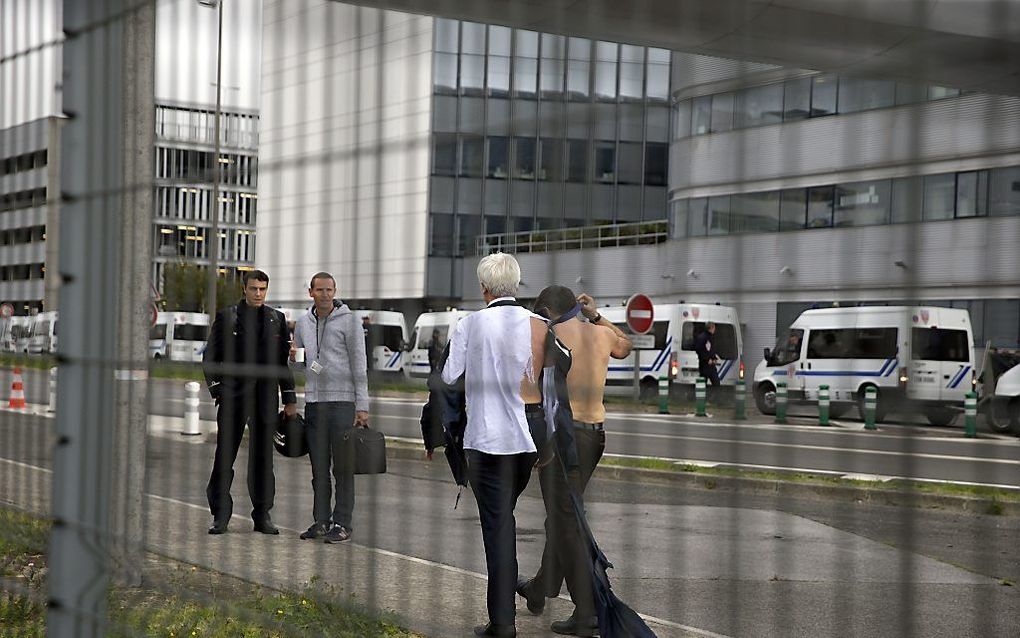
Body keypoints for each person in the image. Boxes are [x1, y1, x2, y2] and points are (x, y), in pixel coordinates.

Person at [442, 253, 547, 638]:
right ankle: (513, 589)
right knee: (505, 519)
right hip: (525, 443)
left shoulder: (470, 324)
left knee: (498, 528)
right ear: (516, 285)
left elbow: (450, 376)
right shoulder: (538, 324)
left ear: (483, 288)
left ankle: (502, 622)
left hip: (486, 443)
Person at [518, 287, 632, 638]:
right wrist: (596, 315)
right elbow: (625, 346)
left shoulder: (549, 338)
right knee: (563, 518)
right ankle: (541, 587)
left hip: (564, 441)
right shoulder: (600, 334)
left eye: (541, 313)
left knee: (566, 523)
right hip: (595, 436)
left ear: (550, 311)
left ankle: (586, 610)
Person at [203, 269, 297, 535]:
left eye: (263, 289)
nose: (258, 293)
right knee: (225, 456)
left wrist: (289, 398)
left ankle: (262, 514)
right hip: (232, 397)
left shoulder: (276, 319)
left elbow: (281, 364)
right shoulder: (227, 317)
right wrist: (218, 390)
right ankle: (220, 514)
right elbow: (210, 358)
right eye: (254, 288)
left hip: (265, 399)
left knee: (263, 459)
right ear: (244, 289)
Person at [291, 272, 370, 543]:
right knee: (318, 469)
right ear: (310, 292)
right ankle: (321, 521)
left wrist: (362, 405)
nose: (325, 294)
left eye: (329, 289)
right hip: (314, 403)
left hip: (342, 403)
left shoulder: (350, 321)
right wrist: (293, 358)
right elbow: (302, 365)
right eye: (319, 290)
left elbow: (359, 364)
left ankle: (343, 522)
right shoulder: (302, 323)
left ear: (335, 291)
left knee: (343, 469)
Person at [694, 321, 721, 389]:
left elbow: (711, 350)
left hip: (711, 365)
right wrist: (707, 359)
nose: (714, 330)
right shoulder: (702, 337)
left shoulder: (711, 337)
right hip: (704, 365)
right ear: (711, 328)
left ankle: (714, 398)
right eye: (714, 328)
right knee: (702, 384)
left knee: (716, 384)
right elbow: (699, 350)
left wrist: (714, 358)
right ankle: (701, 397)